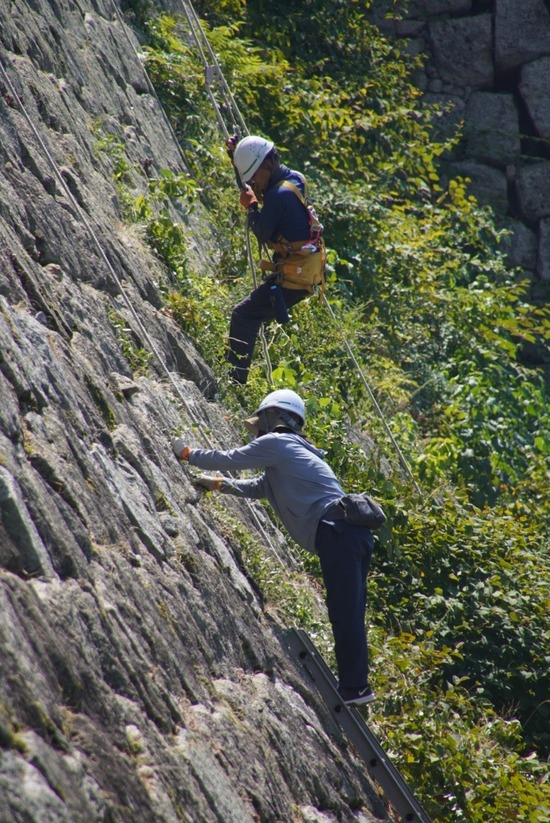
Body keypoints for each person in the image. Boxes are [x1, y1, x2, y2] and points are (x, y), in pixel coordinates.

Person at [172, 389, 375, 706]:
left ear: (273, 416)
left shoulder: (278, 444)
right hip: (349, 534)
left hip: (338, 532)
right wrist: (217, 485)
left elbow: (232, 459)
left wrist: (187, 454)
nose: (258, 428)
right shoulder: (290, 457)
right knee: (349, 610)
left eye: (262, 420)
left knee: (344, 611)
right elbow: (257, 488)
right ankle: (356, 685)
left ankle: (356, 688)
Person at [226, 135, 325, 385]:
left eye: (255, 177)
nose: (254, 184)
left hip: (294, 278)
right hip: (303, 268)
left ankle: (235, 383)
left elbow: (261, 233)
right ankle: (236, 377)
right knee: (249, 314)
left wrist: (251, 208)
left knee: (244, 315)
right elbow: (253, 185)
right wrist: (235, 157)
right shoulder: (294, 179)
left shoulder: (278, 196)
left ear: (267, 166)